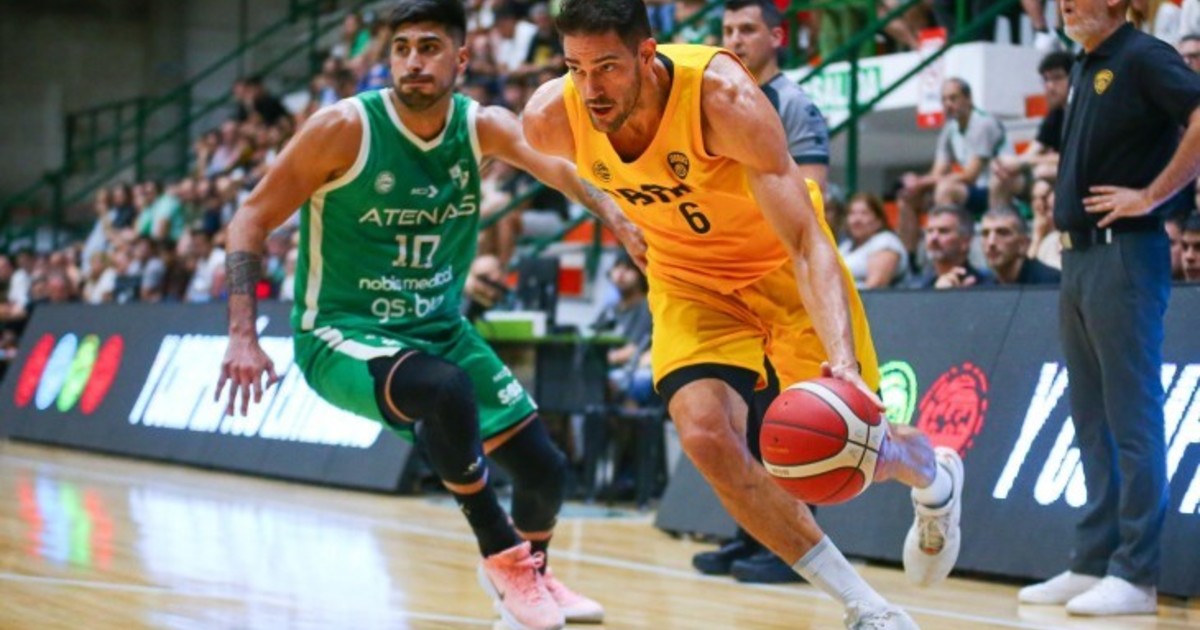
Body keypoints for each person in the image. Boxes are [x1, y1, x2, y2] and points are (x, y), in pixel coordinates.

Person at [522, 1, 965, 627]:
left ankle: (934, 476)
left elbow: (806, 239)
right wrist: (611, 212)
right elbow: (547, 163)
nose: (590, 89)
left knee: (861, 448)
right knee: (706, 436)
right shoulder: (552, 116)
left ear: (647, 55)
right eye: (575, 69)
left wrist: (842, 362)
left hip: (778, 267)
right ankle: (865, 607)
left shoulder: (721, 97)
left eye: (607, 68)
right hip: (688, 280)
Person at [214, 2, 649, 629]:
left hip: (440, 329)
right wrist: (242, 335)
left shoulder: (482, 126)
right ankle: (502, 556)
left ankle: (533, 575)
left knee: (546, 472)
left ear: (462, 58)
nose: (413, 61)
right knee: (443, 391)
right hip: (342, 334)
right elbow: (249, 218)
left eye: (429, 47)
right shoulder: (343, 128)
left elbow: (560, 170)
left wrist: (619, 218)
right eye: (402, 48)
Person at [1017, 0, 1200, 616]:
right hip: (1078, 257)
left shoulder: (1145, 55)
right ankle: (1094, 560)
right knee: (1090, 419)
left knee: (1132, 417)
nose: (1065, 2)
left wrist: (1151, 195)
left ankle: (1136, 574)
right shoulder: (1084, 63)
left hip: (1125, 253)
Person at [690, 0, 835, 586]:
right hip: (730, 278)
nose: (735, 39)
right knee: (747, 414)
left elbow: (812, 194)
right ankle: (752, 533)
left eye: (747, 29)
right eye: (727, 30)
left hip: (780, 279)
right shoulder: (715, 101)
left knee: (790, 418)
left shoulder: (793, 104)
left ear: (776, 36)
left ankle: (798, 546)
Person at [897, 78, 1012, 253]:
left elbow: (970, 176)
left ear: (968, 99)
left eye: (953, 98)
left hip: (995, 189)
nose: (948, 104)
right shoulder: (950, 129)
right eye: (944, 100)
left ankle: (949, 251)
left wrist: (921, 182)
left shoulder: (984, 123)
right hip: (971, 192)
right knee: (908, 196)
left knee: (946, 189)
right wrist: (917, 185)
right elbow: (937, 172)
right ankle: (909, 258)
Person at [989, 51, 1073, 209]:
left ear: (1074, 78)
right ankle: (998, 221)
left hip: (1076, 178)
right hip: (1050, 177)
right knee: (1001, 179)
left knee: (1044, 174)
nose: (1050, 86)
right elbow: (1032, 152)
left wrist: (1023, 162)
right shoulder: (1056, 114)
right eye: (1046, 80)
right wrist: (1006, 164)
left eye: (1057, 78)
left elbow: (1072, 158)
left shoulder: (1083, 112)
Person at [909, 204, 995, 289]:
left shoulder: (987, 287)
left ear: (965, 242)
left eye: (943, 231)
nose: (933, 238)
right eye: (930, 231)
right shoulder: (913, 286)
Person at [839, 193, 909, 289]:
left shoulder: (886, 242)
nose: (857, 219)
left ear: (878, 221)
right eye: (852, 213)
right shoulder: (845, 247)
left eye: (864, 213)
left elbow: (875, 286)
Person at [979, 207, 1061, 285]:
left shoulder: (1051, 283)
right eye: (985, 234)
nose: (991, 242)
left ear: (1023, 244)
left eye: (1003, 233)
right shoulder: (984, 286)